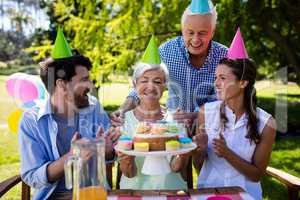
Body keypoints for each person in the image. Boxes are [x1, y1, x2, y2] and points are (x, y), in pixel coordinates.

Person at [18, 29, 119, 200]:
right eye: (84, 80)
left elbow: (110, 158)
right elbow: (32, 177)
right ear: (62, 84)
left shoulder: (94, 109)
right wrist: (72, 156)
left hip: (93, 195)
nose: (91, 86)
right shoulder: (31, 121)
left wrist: (107, 151)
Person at [111, 0, 228, 130]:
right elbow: (143, 82)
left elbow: (227, 100)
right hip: (173, 126)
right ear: (182, 30)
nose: (195, 39)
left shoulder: (224, 56)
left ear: (212, 32)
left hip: (211, 126)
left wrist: (196, 115)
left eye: (202, 33)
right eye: (190, 32)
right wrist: (123, 109)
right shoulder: (167, 51)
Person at [193, 29, 276, 199]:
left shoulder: (266, 123)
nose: (216, 83)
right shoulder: (205, 113)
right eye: (216, 77)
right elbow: (199, 166)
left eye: (223, 78)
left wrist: (227, 153)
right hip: (208, 194)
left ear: (243, 82)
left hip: (246, 195)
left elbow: (256, 175)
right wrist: (198, 151)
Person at [117, 36, 188, 190]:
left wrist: (184, 155)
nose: (150, 87)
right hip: (135, 193)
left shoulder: (176, 118)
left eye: (157, 81)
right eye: (144, 81)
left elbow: (177, 167)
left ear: (165, 86)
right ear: (135, 85)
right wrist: (126, 161)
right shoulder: (124, 121)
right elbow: (129, 173)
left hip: (171, 192)